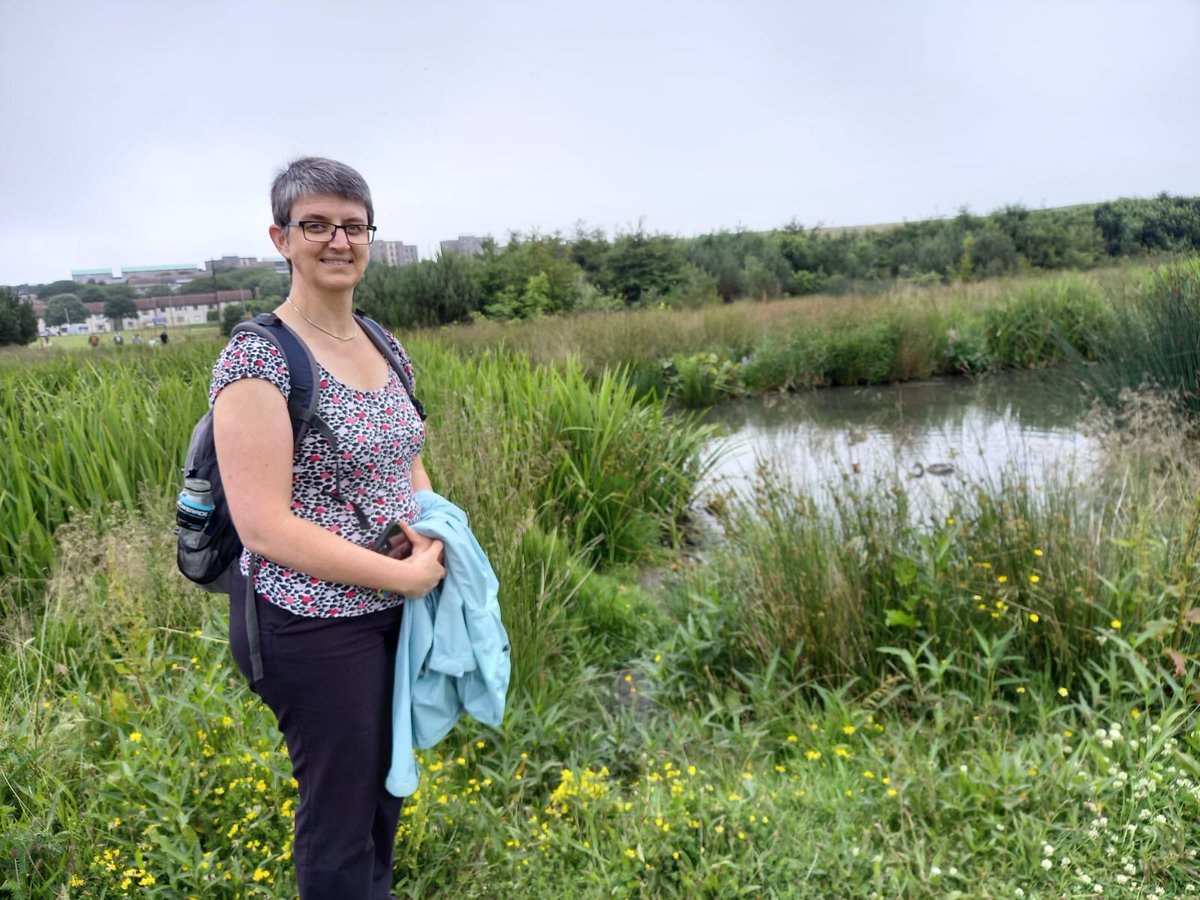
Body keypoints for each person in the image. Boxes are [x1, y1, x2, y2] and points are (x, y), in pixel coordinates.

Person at [209, 157, 445, 898]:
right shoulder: (258, 360)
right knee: (340, 818)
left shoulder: (381, 341)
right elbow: (266, 529)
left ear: (371, 236)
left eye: (353, 225)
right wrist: (404, 574)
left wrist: (432, 532)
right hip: (308, 622)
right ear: (281, 238)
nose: (337, 241)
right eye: (315, 225)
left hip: (390, 609)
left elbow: (408, 460)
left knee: (384, 793)